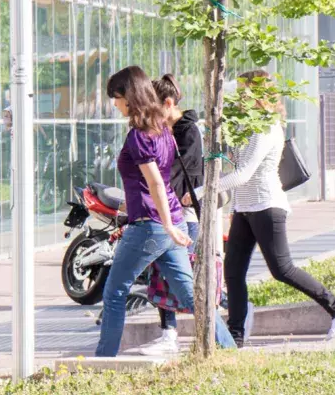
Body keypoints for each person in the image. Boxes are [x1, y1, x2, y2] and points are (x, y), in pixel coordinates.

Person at [207, 70, 335, 346]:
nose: (238, 97)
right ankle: (236, 335)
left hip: (267, 206)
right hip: (245, 207)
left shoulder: (265, 127)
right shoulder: (245, 125)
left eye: (244, 91)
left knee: (282, 269)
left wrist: (205, 189)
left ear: (257, 95)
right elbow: (234, 162)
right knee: (233, 271)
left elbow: (243, 174)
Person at [95, 66, 236, 356]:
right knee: (191, 295)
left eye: (117, 97)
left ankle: (102, 361)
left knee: (114, 292)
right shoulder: (162, 129)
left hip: (150, 225)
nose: (115, 104)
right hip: (170, 220)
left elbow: (158, 183)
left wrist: (168, 228)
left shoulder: (139, 135)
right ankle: (229, 350)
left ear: (130, 97)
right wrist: (172, 226)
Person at [138, 74, 204, 356]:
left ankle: (221, 327)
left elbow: (177, 175)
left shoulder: (188, 132)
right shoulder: (164, 131)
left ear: (168, 103)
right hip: (166, 214)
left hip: (184, 216)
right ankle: (169, 334)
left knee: (181, 279)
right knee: (163, 276)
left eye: (154, 108)